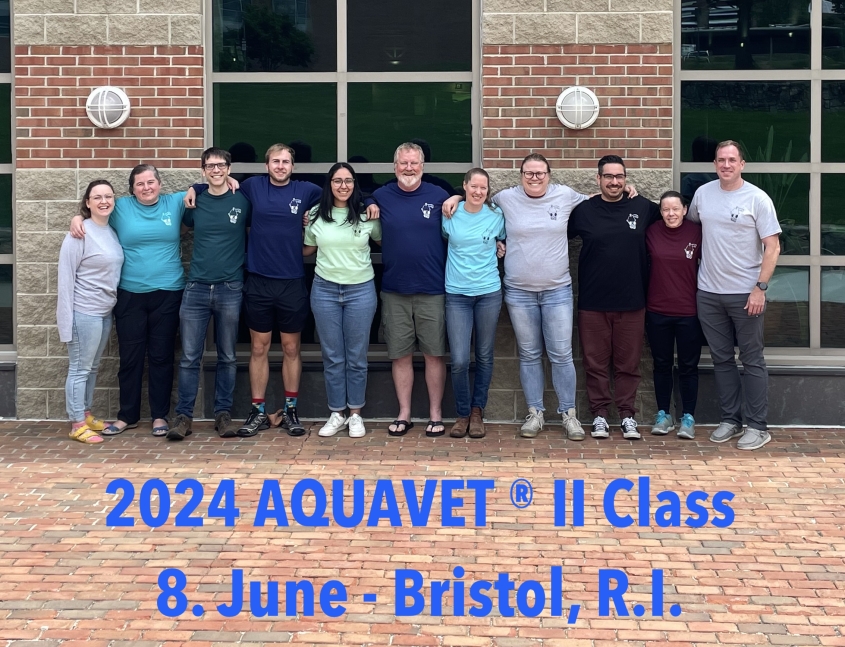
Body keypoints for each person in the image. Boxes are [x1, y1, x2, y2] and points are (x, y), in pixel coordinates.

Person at [444, 154, 636, 440]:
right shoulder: (506, 198)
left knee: (561, 355)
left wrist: (628, 190)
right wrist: (456, 197)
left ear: (549, 174)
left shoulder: (565, 195)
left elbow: (596, 198)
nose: (535, 178)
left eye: (540, 173)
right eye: (529, 173)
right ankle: (535, 413)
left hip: (557, 290)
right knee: (530, 354)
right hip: (519, 292)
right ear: (521, 175)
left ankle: (569, 414)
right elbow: (477, 199)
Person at [71, 165, 190, 437]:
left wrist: (230, 178)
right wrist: (76, 219)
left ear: (160, 184)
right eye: (140, 184)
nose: (146, 187)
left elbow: (208, 189)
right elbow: (95, 214)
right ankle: (127, 416)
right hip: (129, 294)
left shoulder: (175, 202)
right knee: (130, 357)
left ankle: (160, 416)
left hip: (169, 292)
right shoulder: (121, 208)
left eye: (151, 182)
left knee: (161, 357)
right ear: (131, 189)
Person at [686, 140, 781, 450]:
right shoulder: (703, 195)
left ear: (742, 164)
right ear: (714, 164)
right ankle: (730, 420)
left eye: (731, 160)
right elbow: (689, 229)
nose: (725, 165)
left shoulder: (757, 199)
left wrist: (760, 288)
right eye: (720, 160)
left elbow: (773, 246)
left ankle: (757, 426)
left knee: (752, 359)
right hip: (709, 293)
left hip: (746, 293)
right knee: (722, 359)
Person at [568, 155, 661, 441]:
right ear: (598, 179)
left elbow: (676, 216)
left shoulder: (643, 207)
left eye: (619, 176)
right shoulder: (583, 211)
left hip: (632, 302)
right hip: (592, 303)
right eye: (608, 176)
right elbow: (554, 237)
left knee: (628, 365)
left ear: (626, 179)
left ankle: (627, 416)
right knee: (594, 365)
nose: (614, 181)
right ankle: (599, 416)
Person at [167, 147, 251, 441]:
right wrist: (195, 187)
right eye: (210, 166)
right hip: (196, 287)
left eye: (221, 165)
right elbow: (180, 230)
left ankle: (223, 414)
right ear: (203, 170)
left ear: (229, 168)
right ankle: (183, 416)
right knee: (190, 356)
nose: (216, 170)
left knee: (228, 356)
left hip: (230, 287)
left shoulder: (242, 199)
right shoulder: (195, 201)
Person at [370, 142, 450, 437]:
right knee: (400, 355)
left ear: (422, 166)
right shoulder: (381, 196)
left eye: (414, 163)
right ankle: (404, 414)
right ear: (394, 167)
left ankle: (435, 414)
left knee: (433, 354)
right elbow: (362, 203)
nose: (408, 168)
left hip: (432, 289)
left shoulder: (439, 196)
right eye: (403, 163)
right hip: (394, 290)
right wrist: (369, 203)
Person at [302, 163, 382, 438]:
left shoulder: (367, 215)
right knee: (333, 356)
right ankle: (337, 412)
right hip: (324, 290)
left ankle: (356, 414)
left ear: (355, 185)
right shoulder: (315, 215)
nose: (343, 186)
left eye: (348, 181)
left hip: (361, 290)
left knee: (357, 356)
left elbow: (388, 242)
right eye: (338, 181)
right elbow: (307, 249)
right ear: (330, 184)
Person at [57, 180, 124, 444]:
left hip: (105, 311)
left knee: (92, 367)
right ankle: (76, 424)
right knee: (80, 368)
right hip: (84, 312)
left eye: (108, 196)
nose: (103, 201)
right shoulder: (79, 232)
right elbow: (66, 279)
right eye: (97, 197)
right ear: (87, 203)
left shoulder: (110, 231)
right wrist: (66, 320)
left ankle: (85, 414)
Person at [442, 168, 505, 440]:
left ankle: (478, 411)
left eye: (483, 188)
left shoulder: (497, 217)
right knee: (458, 359)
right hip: (456, 294)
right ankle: (462, 413)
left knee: (484, 355)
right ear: (465, 186)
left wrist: (501, 246)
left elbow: (503, 242)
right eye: (474, 186)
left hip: (488, 293)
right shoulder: (450, 215)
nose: (479, 192)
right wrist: (453, 198)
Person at [645, 190, 703, 439]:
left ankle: (688, 416)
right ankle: (663, 414)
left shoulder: (696, 233)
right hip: (657, 310)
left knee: (689, 366)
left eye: (675, 209)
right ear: (660, 211)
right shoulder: (651, 232)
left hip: (689, 311)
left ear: (685, 209)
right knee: (662, 364)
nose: (671, 214)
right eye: (666, 209)